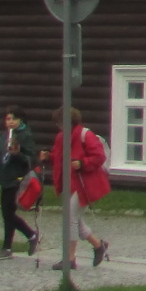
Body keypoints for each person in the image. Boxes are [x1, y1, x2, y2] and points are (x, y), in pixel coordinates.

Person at [49, 107, 110, 270]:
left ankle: (70, 258)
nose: (59, 126)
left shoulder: (85, 135)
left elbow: (99, 156)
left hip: (84, 184)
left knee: (70, 219)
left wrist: (83, 163)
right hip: (70, 182)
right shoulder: (62, 137)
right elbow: (58, 155)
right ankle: (98, 245)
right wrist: (47, 156)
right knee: (75, 219)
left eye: (60, 123)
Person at [0, 106, 40, 259]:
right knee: (7, 214)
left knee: (8, 213)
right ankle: (30, 236)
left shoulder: (25, 135)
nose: (10, 122)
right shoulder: (4, 135)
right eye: (8, 119)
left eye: (14, 119)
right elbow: (0, 154)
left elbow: (31, 159)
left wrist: (17, 153)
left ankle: (8, 247)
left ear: (20, 120)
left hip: (17, 179)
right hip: (5, 178)